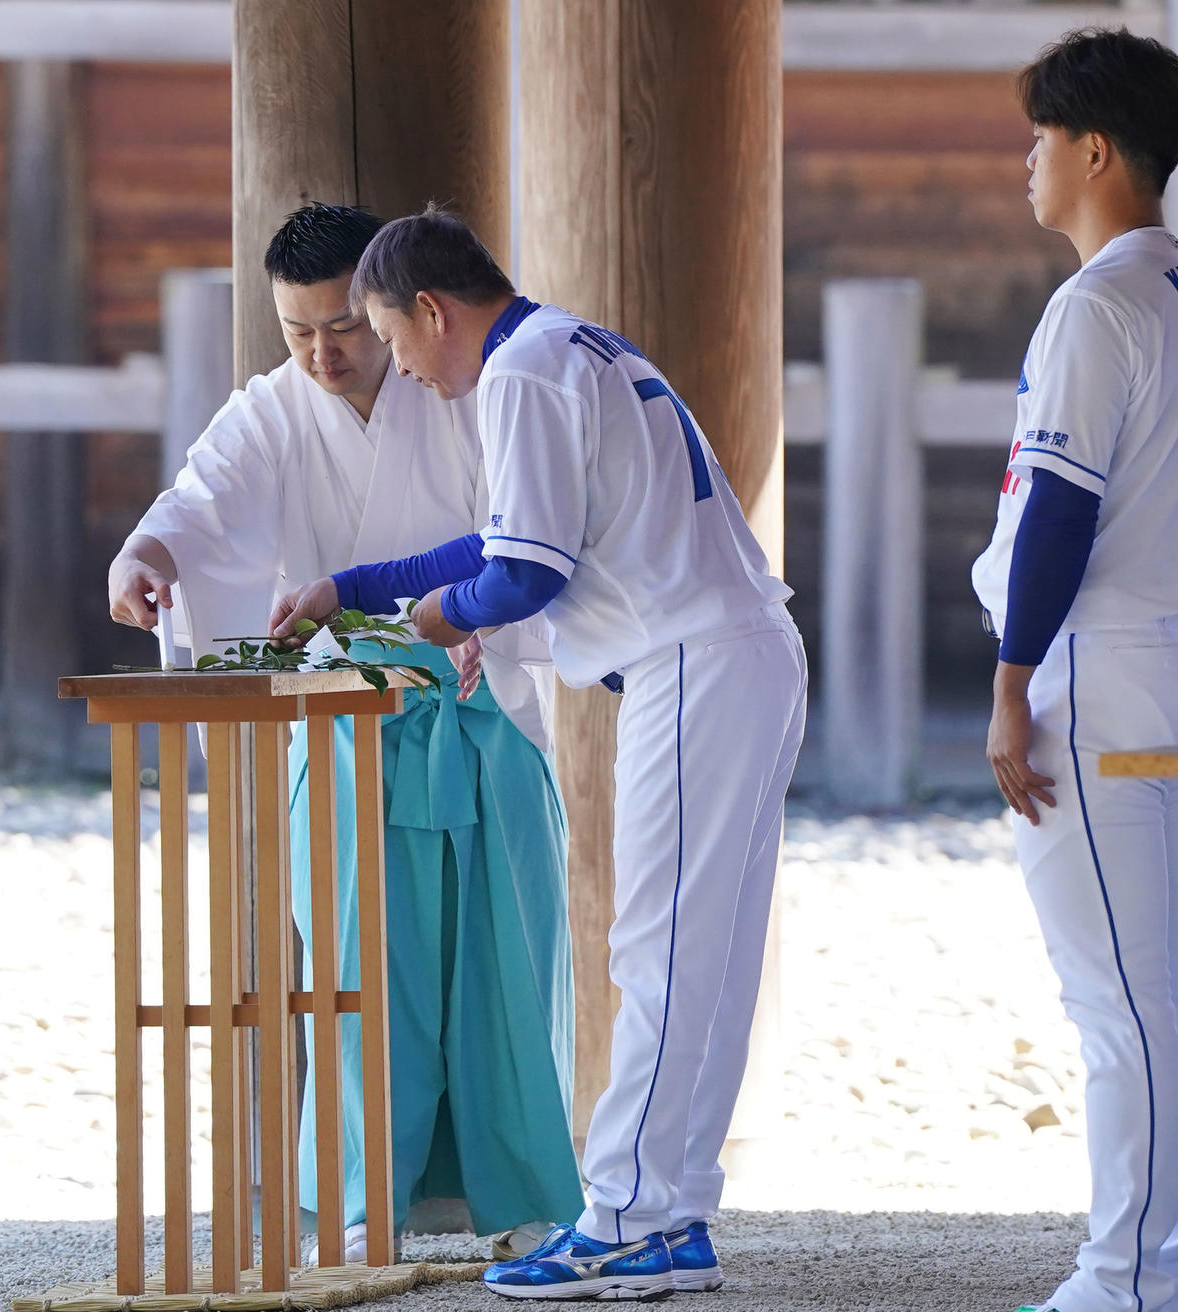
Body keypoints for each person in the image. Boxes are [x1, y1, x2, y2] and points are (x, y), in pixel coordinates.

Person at [271, 203, 808, 1301]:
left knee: (657, 952)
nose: (404, 369)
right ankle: (672, 1214)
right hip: (743, 651)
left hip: (691, 662)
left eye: (394, 337)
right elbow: (501, 540)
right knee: (704, 953)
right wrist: (358, 585)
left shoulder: (517, 374)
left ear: (431, 309)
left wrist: (424, 620)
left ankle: (618, 1218)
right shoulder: (571, 346)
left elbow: (519, 577)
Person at [107, 203, 583, 1260]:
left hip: (475, 703)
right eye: (298, 332)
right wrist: (146, 554)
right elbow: (201, 499)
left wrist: (477, 618)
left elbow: (528, 533)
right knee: (363, 965)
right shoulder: (271, 411)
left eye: (344, 328)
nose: (322, 354)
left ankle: (519, 1196)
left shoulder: (471, 393)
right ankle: (374, 1191)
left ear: (389, 310)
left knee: (504, 959)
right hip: (339, 717)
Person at [970, 29, 1178, 1312]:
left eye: (1041, 138)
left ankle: (1128, 1280)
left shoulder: (1097, 302)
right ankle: (1171, 1263)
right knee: (1167, 989)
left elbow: (1056, 507)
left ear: (1095, 150)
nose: (1028, 162)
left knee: (1118, 1001)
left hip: (1095, 676)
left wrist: (1010, 682)